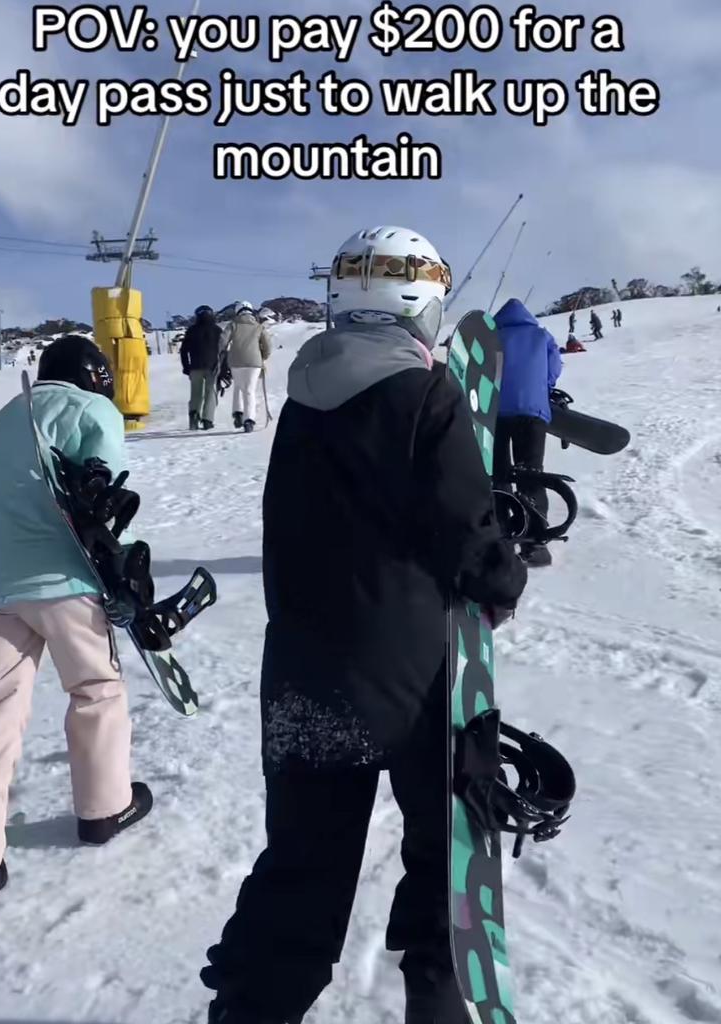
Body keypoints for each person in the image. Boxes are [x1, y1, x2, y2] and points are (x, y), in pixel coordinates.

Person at [200, 226, 528, 1024]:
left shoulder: (303, 400)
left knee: (303, 867)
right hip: (409, 674)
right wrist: (502, 577)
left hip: (304, 674)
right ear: (424, 303)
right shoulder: (428, 391)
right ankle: (436, 990)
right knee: (442, 853)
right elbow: (463, 524)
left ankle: (253, 1004)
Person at [0, 336, 152, 916]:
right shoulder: (93, 411)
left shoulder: (5, 416)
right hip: (63, 581)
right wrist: (129, 578)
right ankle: (103, 808)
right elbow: (106, 501)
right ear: (96, 375)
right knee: (96, 691)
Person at [493, 298, 563, 568]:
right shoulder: (541, 335)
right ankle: (535, 543)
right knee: (531, 473)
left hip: (495, 412)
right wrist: (541, 387)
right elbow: (554, 368)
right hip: (532, 414)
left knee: (498, 474)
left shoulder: (492, 336)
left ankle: (499, 537)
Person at [221, 302, 272, 432]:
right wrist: (264, 356)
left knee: (238, 386)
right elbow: (268, 345)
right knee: (249, 390)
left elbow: (222, 341)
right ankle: (249, 420)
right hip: (254, 362)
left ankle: (238, 413)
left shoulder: (232, 325)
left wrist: (223, 354)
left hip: (235, 361)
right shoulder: (258, 326)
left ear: (238, 312)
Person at [180, 306, 223, 430]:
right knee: (211, 393)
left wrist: (186, 367)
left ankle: (194, 416)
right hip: (212, 367)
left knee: (195, 394)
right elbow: (223, 351)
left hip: (195, 367)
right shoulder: (217, 330)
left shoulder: (192, 330)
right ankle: (207, 420)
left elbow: (183, 351)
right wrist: (223, 368)